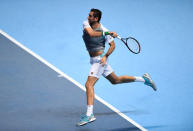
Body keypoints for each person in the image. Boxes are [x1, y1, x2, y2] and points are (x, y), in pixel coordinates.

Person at [77, 8, 156, 126]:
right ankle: (143, 79)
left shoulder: (104, 30)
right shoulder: (87, 24)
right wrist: (108, 33)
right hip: (94, 59)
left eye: (90, 16)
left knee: (89, 85)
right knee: (116, 80)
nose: (88, 17)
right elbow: (92, 34)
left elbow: (112, 45)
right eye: (88, 15)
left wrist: (105, 56)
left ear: (96, 18)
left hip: (100, 60)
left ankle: (89, 115)